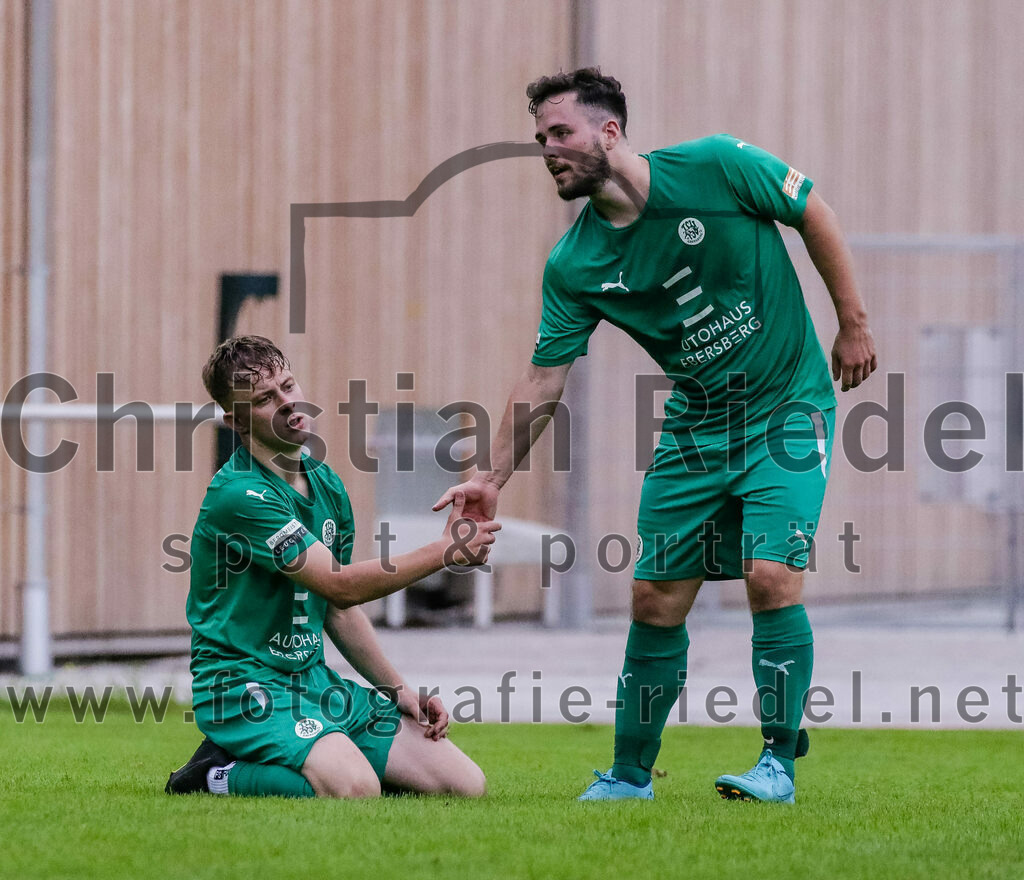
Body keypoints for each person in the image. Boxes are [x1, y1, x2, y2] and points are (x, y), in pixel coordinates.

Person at [434, 68, 876, 804]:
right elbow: (545, 378)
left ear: (609, 132)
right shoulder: (575, 264)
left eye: (561, 133)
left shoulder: (715, 164)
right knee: (653, 600)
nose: (549, 149)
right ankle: (629, 778)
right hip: (695, 432)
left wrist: (853, 323)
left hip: (787, 411)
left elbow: (814, 212)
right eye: (541, 138)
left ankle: (777, 766)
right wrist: (490, 476)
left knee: (771, 577)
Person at [166, 335, 500, 799]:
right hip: (242, 686)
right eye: (265, 399)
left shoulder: (326, 485)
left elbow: (337, 611)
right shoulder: (238, 495)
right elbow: (340, 587)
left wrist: (399, 691)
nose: (288, 404)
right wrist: (444, 550)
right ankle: (213, 775)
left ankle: (325, 757)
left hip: (312, 681)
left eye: (288, 385)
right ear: (235, 420)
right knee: (356, 788)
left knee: (463, 786)